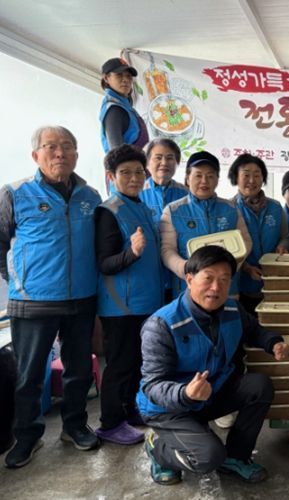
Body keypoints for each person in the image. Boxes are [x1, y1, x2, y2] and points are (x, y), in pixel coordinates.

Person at [137, 245, 289, 485]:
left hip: (210, 394)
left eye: (224, 279)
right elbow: (153, 385)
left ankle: (237, 456)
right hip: (169, 410)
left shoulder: (232, 309)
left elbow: (253, 330)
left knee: (259, 386)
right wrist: (185, 393)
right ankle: (158, 449)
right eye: (208, 278)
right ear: (189, 279)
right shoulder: (161, 325)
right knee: (208, 457)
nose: (216, 287)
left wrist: (273, 342)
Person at [0, 126, 102, 468]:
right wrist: (17, 279)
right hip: (32, 302)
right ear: (36, 155)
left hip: (82, 298)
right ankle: (27, 436)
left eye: (67, 146)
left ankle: (74, 426)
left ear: (76, 154)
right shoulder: (15, 193)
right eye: (51, 146)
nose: (60, 153)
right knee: (29, 375)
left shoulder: (90, 196)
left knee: (79, 370)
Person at [94, 145, 163, 445]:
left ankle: (130, 410)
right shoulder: (109, 211)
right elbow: (105, 263)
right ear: (111, 176)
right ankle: (110, 423)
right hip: (121, 306)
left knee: (138, 362)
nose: (134, 178)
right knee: (120, 365)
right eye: (125, 173)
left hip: (146, 302)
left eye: (138, 172)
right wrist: (132, 253)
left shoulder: (143, 208)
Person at [160, 150, 252, 298]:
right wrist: (187, 269)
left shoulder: (231, 209)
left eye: (210, 176)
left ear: (217, 180)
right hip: (188, 290)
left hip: (226, 290)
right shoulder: (172, 211)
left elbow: (246, 242)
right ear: (188, 178)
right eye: (198, 175)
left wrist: (230, 268)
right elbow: (167, 250)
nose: (204, 181)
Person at [230, 154, 289, 314]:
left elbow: (285, 236)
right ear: (236, 177)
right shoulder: (229, 209)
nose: (252, 180)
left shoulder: (275, 207)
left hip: (274, 283)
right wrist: (246, 268)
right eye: (246, 175)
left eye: (257, 175)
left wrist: (283, 246)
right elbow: (228, 250)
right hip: (242, 286)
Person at [140, 138, 188, 302]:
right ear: (147, 163)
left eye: (170, 158)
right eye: (158, 157)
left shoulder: (187, 194)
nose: (164, 163)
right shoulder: (136, 193)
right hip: (147, 275)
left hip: (180, 275)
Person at [99, 57, 149, 153]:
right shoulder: (114, 110)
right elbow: (117, 152)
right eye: (119, 75)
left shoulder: (125, 106)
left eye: (128, 76)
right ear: (106, 78)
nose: (125, 80)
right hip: (128, 162)